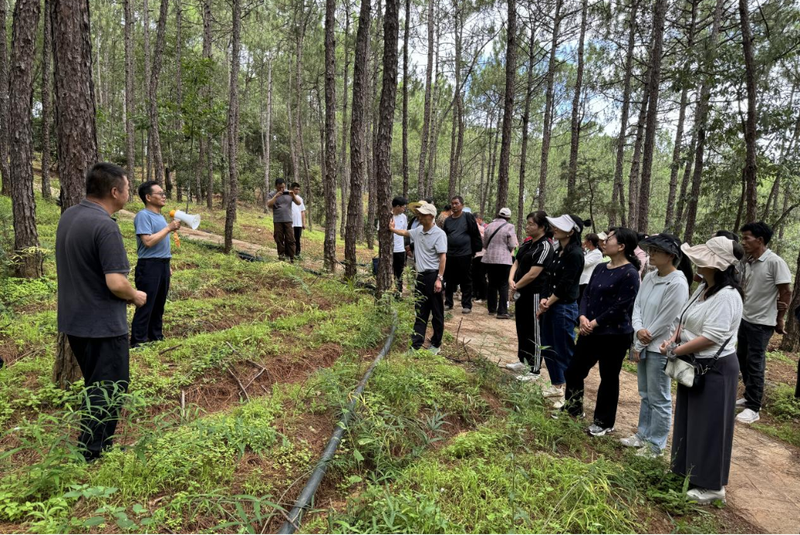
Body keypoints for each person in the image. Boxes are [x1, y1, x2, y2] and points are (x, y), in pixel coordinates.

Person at [56, 163, 147, 461]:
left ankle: (91, 445)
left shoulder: (70, 215)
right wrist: (135, 295)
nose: (129, 193)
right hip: (103, 326)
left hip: (74, 322)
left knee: (96, 386)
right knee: (109, 389)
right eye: (128, 188)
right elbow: (116, 282)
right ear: (114, 191)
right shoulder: (105, 226)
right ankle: (94, 454)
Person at [662, 236, 744, 504]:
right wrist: (674, 340)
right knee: (690, 419)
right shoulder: (703, 289)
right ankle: (686, 470)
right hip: (693, 363)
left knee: (711, 425)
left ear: (717, 265)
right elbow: (684, 319)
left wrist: (676, 351)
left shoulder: (728, 296)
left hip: (715, 368)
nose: (697, 262)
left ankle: (712, 485)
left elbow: (712, 336)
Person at [562, 227, 641, 434]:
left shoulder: (630, 274)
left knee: (608, 377)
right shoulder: (600, 267)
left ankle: (604, 422)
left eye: (610, 239)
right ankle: (573, 408)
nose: (604, 242)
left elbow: (622, 306)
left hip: (614, 335)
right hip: (590, 331)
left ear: (622, 246)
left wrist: (594, 322)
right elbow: (586, 294)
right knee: (574, 370)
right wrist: (582, 317)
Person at [620, 234, 691, 457]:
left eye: (656, 251)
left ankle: (656, 444)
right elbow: (638, 306)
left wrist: (644, 338)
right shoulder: (650, 276)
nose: (650, 254)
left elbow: (667, 318)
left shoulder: (677, 282)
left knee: (659, 397)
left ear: (671, 255)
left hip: (659, 348)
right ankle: (642, 434)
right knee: (645, 393)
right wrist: (638, 329)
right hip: (643, 342)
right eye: (650, 250)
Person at [735, 221, 792, 424]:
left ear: (760, 240)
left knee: (755, 362)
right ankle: (749, 395)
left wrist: (780, 319)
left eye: (747, 238)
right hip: (745, 317)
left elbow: (785, 291)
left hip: (762, 323)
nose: (744, 242)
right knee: (742, 357)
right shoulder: (749, 261)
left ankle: (754, 407)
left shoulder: (775, 262)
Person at [537, 215, 586, 404]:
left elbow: (566, 284)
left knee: (564, 350)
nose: (554, 228)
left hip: (563, 308)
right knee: (548, 347)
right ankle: (557, 386)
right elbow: (548, 278)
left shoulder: (575, 254)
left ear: (571, 232)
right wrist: (543, 299)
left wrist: (548, 302)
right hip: (550, 305)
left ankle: (571, 398)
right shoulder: (559, 250)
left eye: (559, 226)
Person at [389, 201, 447, 354]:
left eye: (422, 215)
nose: (419, 217)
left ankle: (436, 344)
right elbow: (405, 233)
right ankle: (416, 344)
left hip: (433, 276)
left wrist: (439, 279)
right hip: (420, 276)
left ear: (430, 216)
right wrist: (392, 228)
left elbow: (443, 258)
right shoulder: (418, 231)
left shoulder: (439, 234)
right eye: (418, 215)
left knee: (436, 312)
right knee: (420, 311)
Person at [130, 181, 181, 348]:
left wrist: (167, 264)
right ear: (148, 197)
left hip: (162, 264)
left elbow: (160, 243)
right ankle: (138, 341)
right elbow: (147, 242)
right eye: (159, 193)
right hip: (149, 266)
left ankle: (155, 337)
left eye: (164, 193)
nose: (163, 196)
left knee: (159, 303)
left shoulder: (159, 217)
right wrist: (168, 228)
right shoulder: (143, 216)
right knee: (146, 303)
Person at [508, 211, 553, 380]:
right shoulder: (528, 243)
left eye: (531, 224)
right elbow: (517, 261)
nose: (527, 227)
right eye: (527, 223)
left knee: (534, 330)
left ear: (542, 227)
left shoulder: (545, 246)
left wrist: (516, 286)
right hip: (520, 291)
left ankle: (534, 369)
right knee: (522, 326)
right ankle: (523, 360)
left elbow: (534, 273)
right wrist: (511, 280)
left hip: (534, 293)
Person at [442, 196, 482, 314]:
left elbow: (475, 233)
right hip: (450, 254)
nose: (454, 206)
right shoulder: (448, 220)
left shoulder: (467, 217)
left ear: (462, 205)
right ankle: (448, 303)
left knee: (466, 280)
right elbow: (445, 235)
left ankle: (466, 305)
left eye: (456, 203)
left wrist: (474, 250)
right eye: (452, 203)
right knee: (449, 280)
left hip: (465, 254)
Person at [482, 207, 518, 319]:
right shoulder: (510, 227)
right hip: (504, 260)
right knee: (503, 284)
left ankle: (491, 309)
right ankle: (502, 311)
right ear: (508, 217)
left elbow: (484, 243)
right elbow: (512, 244)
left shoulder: (489, 226)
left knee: (492, 283)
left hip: (490, 258)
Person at [267, 178, 301, 262]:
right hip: (278, 220)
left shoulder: (289, 193)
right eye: (280, 187)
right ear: (276, 186)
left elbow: (298, 203)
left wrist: (293, 196)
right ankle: (281, 256)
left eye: (283, 187)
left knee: (290, 239)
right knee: (279, 238)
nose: (282, 189)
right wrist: (276, 196)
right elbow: (269, 204)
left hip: (288, 220)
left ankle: (291, 257)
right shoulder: (272, 194)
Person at [579, 233, 604, 301]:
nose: (584, 242)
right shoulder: (588, 251)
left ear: (590, 242)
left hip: (587, 280)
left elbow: (586, 263)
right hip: (582, 280)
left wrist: (580, 252)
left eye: (585, 240)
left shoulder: (597, 253)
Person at [391, 196, 408, 292]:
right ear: (397, 206)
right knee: (389, 272)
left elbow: (404, 231)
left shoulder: (403, 217)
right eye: (403, 207)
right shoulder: (387, 216)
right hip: (389, 250)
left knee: (399, 273)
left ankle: (398, 293)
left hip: (400, 250)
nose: (404, 209)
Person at [471, 214, 488, 303]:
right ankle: (477, 295)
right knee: (476, 276)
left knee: (480, 276)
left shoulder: (482, 228)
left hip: (481, 254)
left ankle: (483, 296)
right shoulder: (480, 228)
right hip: (476, 255)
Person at [291, 182, 307, 258]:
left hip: (298, 223)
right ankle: (290, 253)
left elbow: (302, 211)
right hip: (291, 223)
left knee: (297, 239)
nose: (297, 191)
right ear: (292, 189)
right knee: (291, 238)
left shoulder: (300, 199)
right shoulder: (289, 198)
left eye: (298, 189)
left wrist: (303, 223)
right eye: (296, 189)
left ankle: (297, 253)